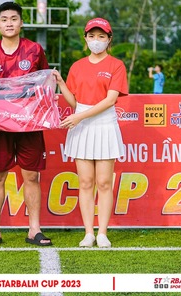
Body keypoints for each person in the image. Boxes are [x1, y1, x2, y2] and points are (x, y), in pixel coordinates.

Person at [0, 1, 52, 247]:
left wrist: (39, 115)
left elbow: (44, 86)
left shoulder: (35, 51)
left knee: (31, 176)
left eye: (14, 19)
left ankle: (34, 230)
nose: (9, 23)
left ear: (21, 23)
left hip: (29, 125)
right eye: (4, 19)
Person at [54, 18, 128, 248]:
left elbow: (110, 100)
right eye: (92, 36)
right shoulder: (77, 66)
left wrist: (79, 117)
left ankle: (103, 232)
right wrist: (61, 84)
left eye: (101, 36)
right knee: (85, 182)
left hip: (104, 124)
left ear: (109, 39)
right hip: (82, 125)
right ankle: (88, 232)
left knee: (104, 182)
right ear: (85, 39)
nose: (97, 41)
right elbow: (75, 103)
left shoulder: (116, 65)